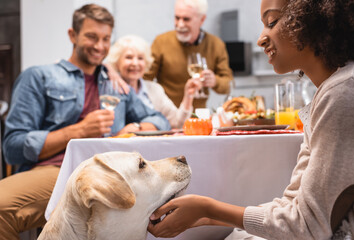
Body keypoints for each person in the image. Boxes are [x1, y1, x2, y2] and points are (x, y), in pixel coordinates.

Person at [147, 0, 354, 239]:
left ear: (311, 19)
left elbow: (308, 225)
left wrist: (207, 209)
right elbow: (293, 205)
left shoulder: (345, 91)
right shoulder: (332, 90)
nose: (260, 39)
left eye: (272, 22)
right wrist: (206, 215)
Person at [0, 4, 170, 239]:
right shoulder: (39, 76)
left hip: (110, 172)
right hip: (58, 170)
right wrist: (78, 130)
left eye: (105, 39)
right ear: (73, 35)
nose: (100, 46)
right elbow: (12, 147)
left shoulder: (115, 84)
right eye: (91, 36)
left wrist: (135, 128)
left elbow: (160, 120)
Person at [143, 0, 233, 109]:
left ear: (202, 20)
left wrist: (215, 81)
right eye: (177, 18)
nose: (180, 24)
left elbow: (228, 85)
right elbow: (144, 79)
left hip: (199, 114)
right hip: (169, 115)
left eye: (186, 19)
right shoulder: (161, 42)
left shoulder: (216, 45)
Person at [106, 35, 202, 129]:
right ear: (117, 62)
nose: (135, 63)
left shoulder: (155, 89)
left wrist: (188, 97)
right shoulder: (109, 90)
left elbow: (177, 123)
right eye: (129, 57)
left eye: (140, 58)